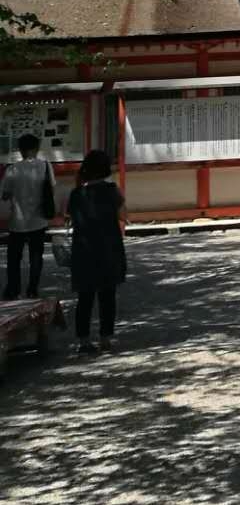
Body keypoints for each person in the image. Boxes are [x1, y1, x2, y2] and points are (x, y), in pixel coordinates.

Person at [69, 148, 126, 354]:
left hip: (83, 250)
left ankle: (83, 341)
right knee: (107, 295)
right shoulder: (112, 190)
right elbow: (123, 216)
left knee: (85, 296)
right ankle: (105, 338)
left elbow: (70, 217)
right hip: (108, 248)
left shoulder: (76, 194)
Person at [1, 133, 56, 300]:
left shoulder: (13, 169)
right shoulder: (46, 166)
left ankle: (13, 289)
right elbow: (51, 189)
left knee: (14, 258)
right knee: (36, 257)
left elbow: (5, 195)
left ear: (20, 149)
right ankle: (32, 289)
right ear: (37, 148)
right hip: (39, 220)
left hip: (17, 221)